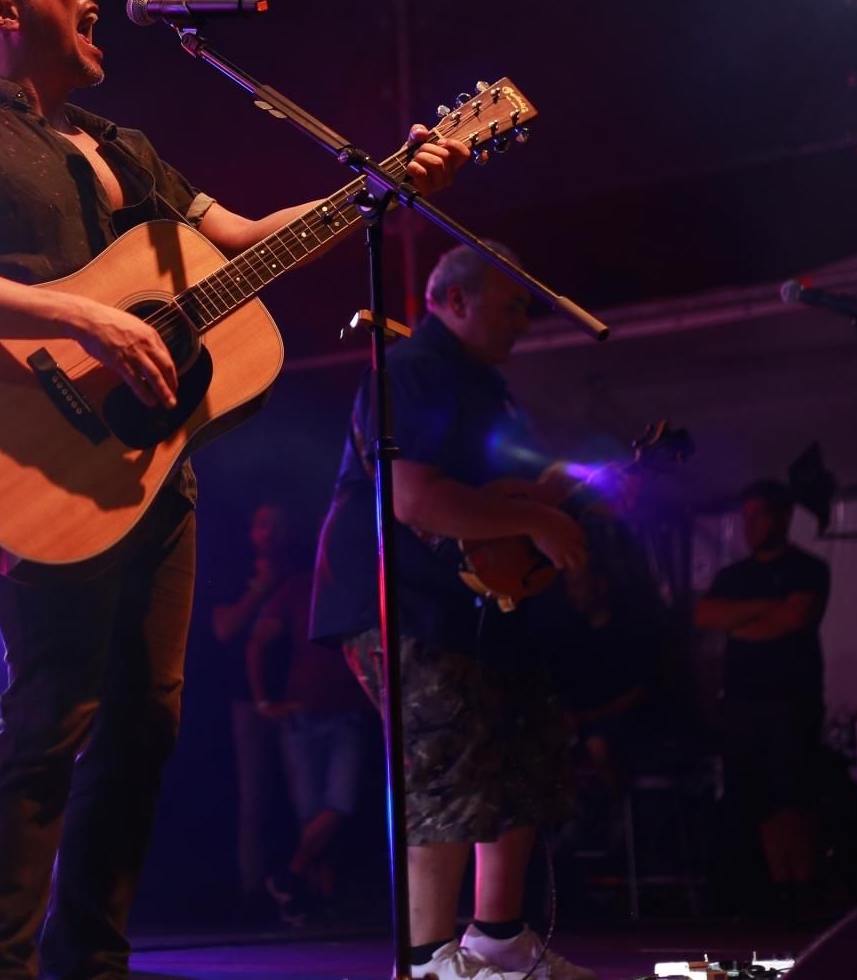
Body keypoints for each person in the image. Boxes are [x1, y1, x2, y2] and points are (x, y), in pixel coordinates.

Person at [0, 0, 466, 980]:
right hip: (38, 462)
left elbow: (243, 243)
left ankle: (91, 963)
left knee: (145, 726)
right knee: (53, 716)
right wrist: (83, 318)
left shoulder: (122, 146)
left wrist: (379, 188)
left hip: (151, 473)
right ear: (2, 10)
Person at [308, 244, 596, 980]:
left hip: (474, 603)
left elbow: (499, 495)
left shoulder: (488, 388)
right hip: (404, 600)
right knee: (442, 769)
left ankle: (498, 941)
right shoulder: (411, 369)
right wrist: (534, 519)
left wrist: (547, 500)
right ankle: (425, 962)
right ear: (456, 300)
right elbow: (413, 499)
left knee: (521, 754)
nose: (524, 320)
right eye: (512, 304)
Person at [694, 479, 830, 909]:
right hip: (742, 704)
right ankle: (777, 890)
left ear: (783, 517)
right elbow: (706, 615)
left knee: (794, 795)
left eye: (760, 515)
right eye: (746, 516)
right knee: (758, 798)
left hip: (792, 701)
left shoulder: (808, 569)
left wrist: (741, 622)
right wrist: (767, 609)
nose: (750, 525)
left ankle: (803, 886)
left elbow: (797, 617)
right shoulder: (732, 576)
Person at [246, 546, 375, 927]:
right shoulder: (300, 586)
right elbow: (257, 642)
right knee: (311, 812)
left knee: (339, 805)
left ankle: (290, 876)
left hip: (348, 712)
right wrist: (263, 701)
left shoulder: (359, 586)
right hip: (303, 714)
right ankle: (315, 898)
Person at [202, 500, 290, 914]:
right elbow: (224, 628)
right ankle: (253, 891)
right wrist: (259, 589)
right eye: (261, 524)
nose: (268, 532)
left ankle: (302, 888)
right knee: (254, 797)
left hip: (298, 698)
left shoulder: (298, 569)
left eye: (276, 524)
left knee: (304, 799)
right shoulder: (236, 573)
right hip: (246, 701)